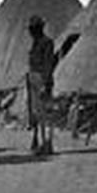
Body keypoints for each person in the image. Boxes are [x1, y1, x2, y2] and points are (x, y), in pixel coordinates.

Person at [27, 15, 56, 154]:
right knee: (37, 113)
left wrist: (45, 83)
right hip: (33, 79)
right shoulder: (35, 43)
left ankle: (47, 144)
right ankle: (40, 142)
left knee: (45, 114)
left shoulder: (47, 43)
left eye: (33, 29)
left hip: (42, 79)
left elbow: (48, 64)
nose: (31, 32)